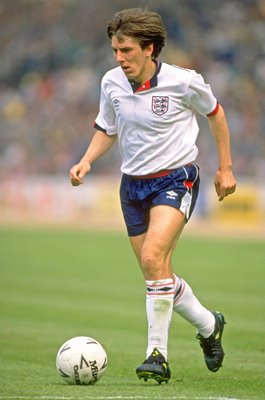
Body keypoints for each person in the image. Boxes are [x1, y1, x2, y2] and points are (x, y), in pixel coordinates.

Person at [70, 8, 237, 385]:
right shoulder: (111, 82)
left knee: (152, 257)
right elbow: (106, 128)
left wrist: (225, 168)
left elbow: (216, 114)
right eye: (115, 49)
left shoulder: (183, 82)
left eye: (126, 50)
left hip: (176, 179)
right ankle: (210, 326)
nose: (118, 57)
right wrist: (86, 161)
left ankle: (156, 355)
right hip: (132, 187)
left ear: (150, 49)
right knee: (156, 272)